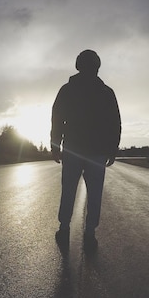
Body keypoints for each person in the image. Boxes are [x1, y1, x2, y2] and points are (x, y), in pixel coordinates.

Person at [50, 49, 121, 250]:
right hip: (96, 152)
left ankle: (64, 228)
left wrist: (55, 145)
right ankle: (89, 233)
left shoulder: (67, 89)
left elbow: (57, 119)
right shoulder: (106, 92)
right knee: (95, 194)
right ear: (97, 67)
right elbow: (114, 123)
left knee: (69, 191)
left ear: (78, 66)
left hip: (73, 150)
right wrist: (112, 149)